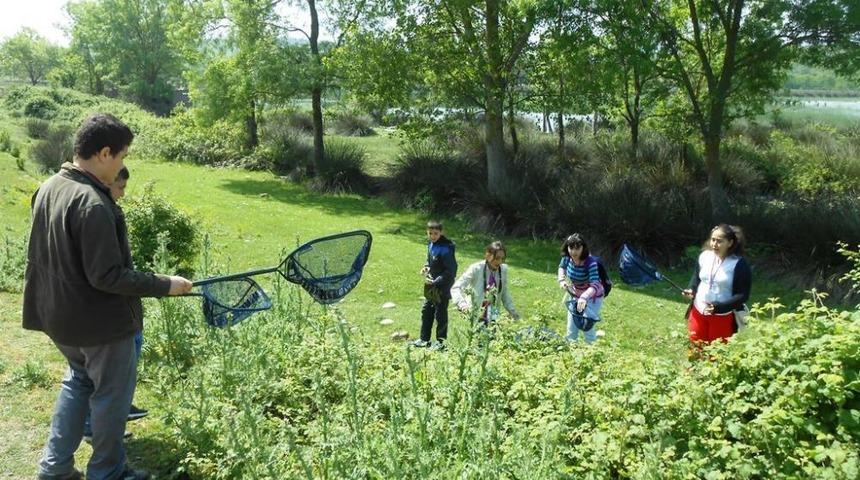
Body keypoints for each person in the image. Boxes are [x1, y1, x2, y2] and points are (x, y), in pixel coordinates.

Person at [23, 113, 193, 480]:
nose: (122, 165)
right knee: (111, 399)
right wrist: (166, 284)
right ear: (104, 153)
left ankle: (55, 469)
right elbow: (107, 276)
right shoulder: (92, 204)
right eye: (122, 156)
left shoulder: (49, 186)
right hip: (99, 327)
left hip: (59, 319)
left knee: (78, 382)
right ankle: (108, 472)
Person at [81, 167, 147, 444]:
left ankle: (118, 408)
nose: (122, 194)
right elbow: (107, 275)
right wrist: (159, 284)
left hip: (122, 308)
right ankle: (96, 427)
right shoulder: (95, 211)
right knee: (98, 377)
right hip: (106, 315)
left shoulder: (107, 210)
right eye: (120, 188)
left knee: (125, 360)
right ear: (106, 182)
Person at [682, 224, 751, 355]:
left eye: (719, 241)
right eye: (713, 240)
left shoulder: (739, 264)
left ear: (730, 243)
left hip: (722, 317)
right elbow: (696, 279)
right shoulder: (704, 256)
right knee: (695, 351)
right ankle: (693, 369)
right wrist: (691, 290)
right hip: (698, 311)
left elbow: (742, 295)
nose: (714, 244)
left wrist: (719, 307)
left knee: (716, 355)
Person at [451, 241, 520, 327]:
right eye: (497, 258)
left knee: (492, 334)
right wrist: (463, 306)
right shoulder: (476, 269)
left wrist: (512, 312)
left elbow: (504, 292)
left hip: (494, 314)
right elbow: (456, 288)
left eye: (502, 259)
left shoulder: (503, 270)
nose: (500, 262)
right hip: (475, 313)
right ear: (488, 256)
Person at [412, 220, 457, 350]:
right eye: (430, 233)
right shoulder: (431, 244)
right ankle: (424, 339)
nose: (433, 236)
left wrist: (437, 281)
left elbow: (451, 271)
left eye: (436, 233)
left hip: (443, 285)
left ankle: (440, 342)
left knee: (440, 314)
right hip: (431, 284)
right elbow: (430, 260)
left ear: (441, 233)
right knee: (426, 311)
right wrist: (426, 267)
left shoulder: (446, 248)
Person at [557, 233, 605, 344]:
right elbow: (561, 267)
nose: (573, 252)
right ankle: (570, 349)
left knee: (586, 326)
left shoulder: (590, 263)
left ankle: (591, 350)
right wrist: (562, 280)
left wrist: (584, 297)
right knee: (571, 328)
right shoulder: (567, 258)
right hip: (576, 295)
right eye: (571, 248)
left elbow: (595, 285)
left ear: (583, 248)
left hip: (592, 297)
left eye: (577, 248)